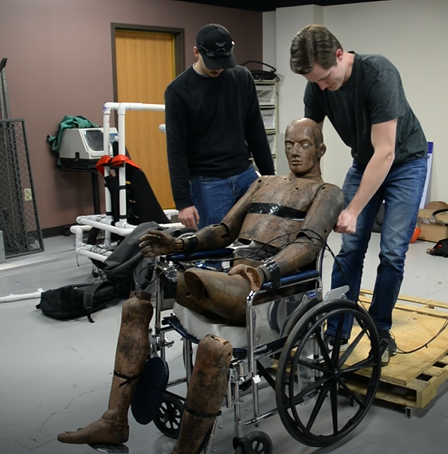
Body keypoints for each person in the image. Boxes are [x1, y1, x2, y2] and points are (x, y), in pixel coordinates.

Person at [56, 119, 343, 454]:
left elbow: (308, 245)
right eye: (289, 143)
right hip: (233, 276)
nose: (295, 151)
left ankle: (186, 450)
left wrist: (264, 271)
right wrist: (180, 245)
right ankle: (114, 419)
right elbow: (223, 231)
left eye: (304, 144)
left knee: (210, 322)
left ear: (320, 149)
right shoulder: (263, 183)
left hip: (269, 289)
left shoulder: (327, 192)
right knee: (137, 305)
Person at [289, 24, 429, 366]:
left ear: (340, 55)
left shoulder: (378, 73)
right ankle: (336, 330)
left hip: (403, 162)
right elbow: (310, 138)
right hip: (364, 161)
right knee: (349, 249)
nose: (322, 87)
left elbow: (385, 153)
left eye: (325, 78)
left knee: (393, 251)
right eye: (315, 81)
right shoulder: (317, 82)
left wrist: (351, 209)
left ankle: (379, 330)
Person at [165, 23, 275, 231]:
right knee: (213, 252)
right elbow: (175, 149)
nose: (218, 68)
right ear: (196, 52)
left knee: (262, 240)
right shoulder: (178, 91)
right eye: (213, 62)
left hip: (245, 175)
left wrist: (270, 177)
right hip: (208, 183)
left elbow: (256, 131)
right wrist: (183, 202)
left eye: (223, 62)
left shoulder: (241, 77)